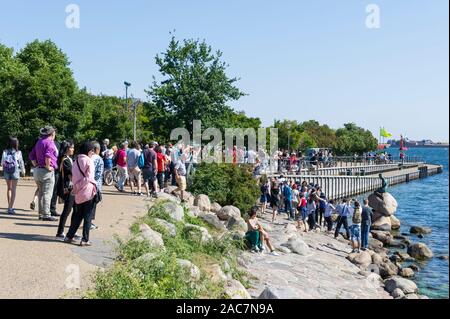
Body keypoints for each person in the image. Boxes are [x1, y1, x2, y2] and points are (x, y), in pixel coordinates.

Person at [64, 141, 97, 246]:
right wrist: (79, 186)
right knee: (87, 216)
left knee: (78, 215)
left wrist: (76, 188)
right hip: (87, 192)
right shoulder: (89, 161)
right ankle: (85, 239)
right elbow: (89, 178)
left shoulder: (75, 161)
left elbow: (74, 177)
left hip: (78, 193)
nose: (93, 152)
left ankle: (69, 236)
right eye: (92, 150)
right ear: (88, 150)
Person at [29, 126, 59, 221]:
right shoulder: (50, 143)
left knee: (41, 192)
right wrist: (48, 166)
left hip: (37, 170)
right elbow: (48, 156)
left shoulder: (39, 141)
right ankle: (46, 214)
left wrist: (36, 164)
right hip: (46, 171)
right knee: (47, 193)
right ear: (52, 134)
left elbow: (31, 155)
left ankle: (41, 214)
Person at [56, 141, 78, 238]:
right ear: (66, 149)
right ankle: (60, 231)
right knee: (67, 210)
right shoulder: (65, 160)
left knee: (76, 210)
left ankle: (72, 230)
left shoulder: (69, 159)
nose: (73, 149)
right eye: (72, 147)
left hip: (72, 187)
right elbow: (71, 173)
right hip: (68, 188)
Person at [1, 137, 25, 214]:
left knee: (9, 188)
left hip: (7, 171)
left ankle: (9, 206)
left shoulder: (5, 151)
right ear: (16, 144)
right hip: (15, 170)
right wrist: (23, 171)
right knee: (14, 189)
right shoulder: (18, 152)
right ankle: (10, 207)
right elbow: (21, 162)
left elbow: (2, 162)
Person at [90, 142, 104, 229]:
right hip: (96, 185)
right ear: (98, 149)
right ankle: (90, 222)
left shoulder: (88, 157)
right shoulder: (99, 159)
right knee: (93, 203)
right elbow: (99, 173)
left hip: (86, 184)